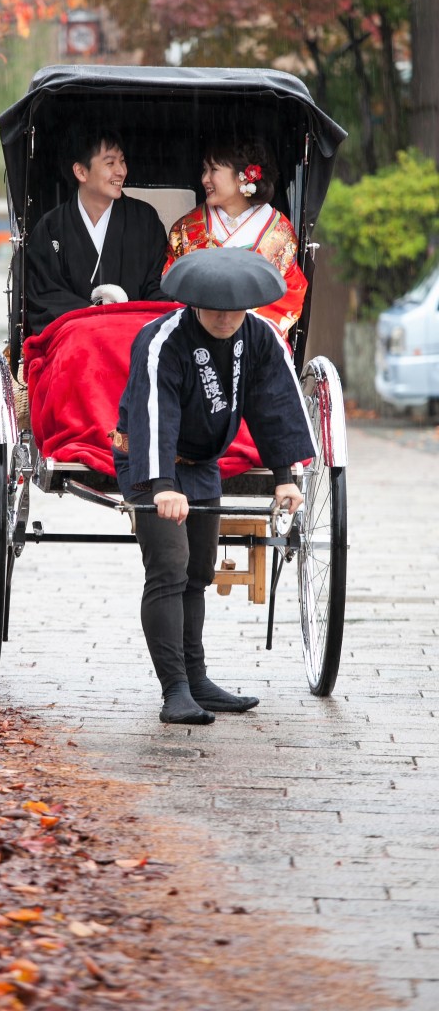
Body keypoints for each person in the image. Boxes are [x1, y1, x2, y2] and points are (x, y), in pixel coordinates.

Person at [111, 249, 315, 726]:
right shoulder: (162, 339)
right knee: (169, 566)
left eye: (235, 308)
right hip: (147, 457)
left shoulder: (260, 336)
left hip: (202, 462)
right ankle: (175, 691)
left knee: (200, 571)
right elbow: (152, 412)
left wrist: (284, 477)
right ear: (193, 302)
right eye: (214, 307)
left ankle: (197, 679)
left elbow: (274, 404)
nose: (225, 317)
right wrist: (161, 485)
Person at [25, 127, 169, 336]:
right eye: (110, 163)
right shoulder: (51, 228)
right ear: (81, 172)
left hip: (134, 338)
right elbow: (44, 295)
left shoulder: (145, 220)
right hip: (74, 341)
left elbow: (157, 286)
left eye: (122, 161)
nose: (121, 171)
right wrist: (90, 317)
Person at [164, 139, 307, 337]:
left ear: (242, 177)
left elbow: (290, 293)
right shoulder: (187, 228)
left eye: (213, 169)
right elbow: (173, 285)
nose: (205, 179)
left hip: (257, 342)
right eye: (204, 170)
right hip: (195, 337)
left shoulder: (278, 231)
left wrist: (245, 328)